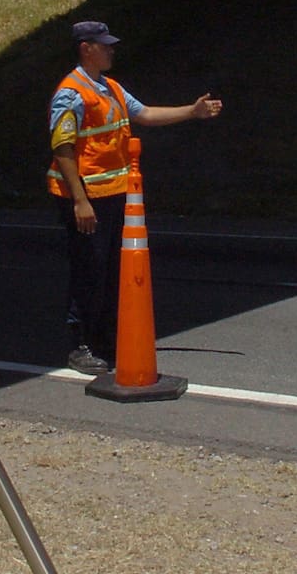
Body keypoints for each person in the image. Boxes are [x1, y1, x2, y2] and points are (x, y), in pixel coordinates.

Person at [47, 20, 222, 374]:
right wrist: (80, 200)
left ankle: (103, 340)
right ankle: (80, 343)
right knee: (89, 270)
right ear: (86, 48)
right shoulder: (71, 92)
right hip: (87, 197)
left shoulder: (109, 87)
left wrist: (192, 111)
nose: (111, 49)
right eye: (104, 44)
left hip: (113, 194)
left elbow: (144, 114)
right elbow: (63, 148)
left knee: (111, 270)